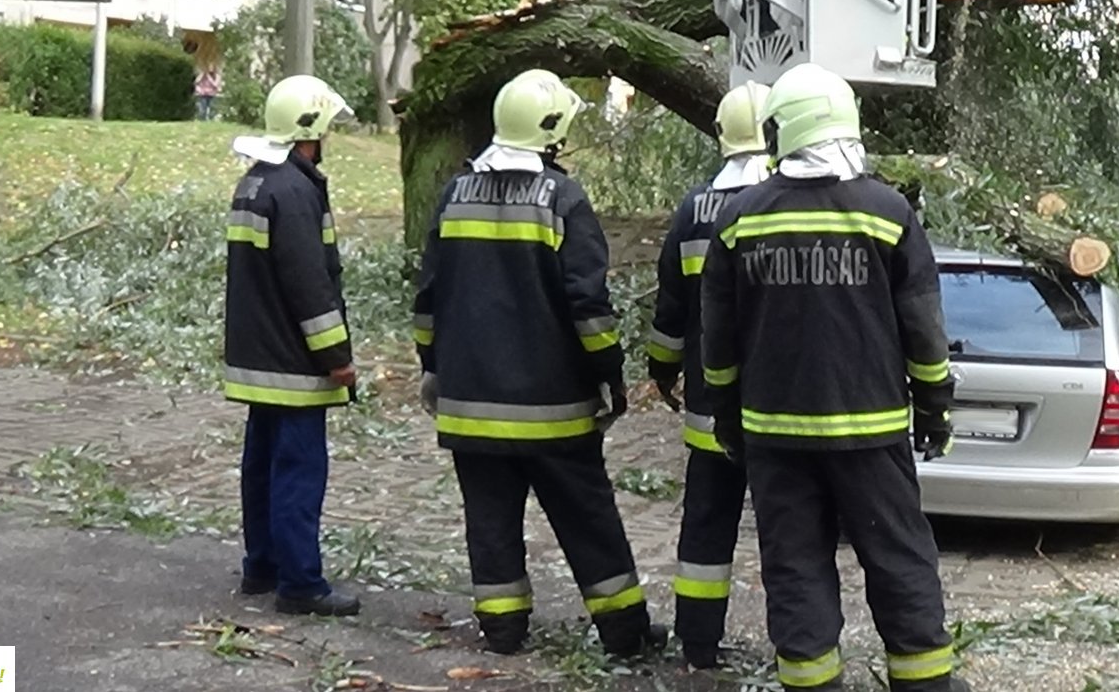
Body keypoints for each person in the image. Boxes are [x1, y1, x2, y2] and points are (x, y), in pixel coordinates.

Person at [699, 63, 968, 692]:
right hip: (871, 435)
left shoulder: (741, 218)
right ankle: (925, 684)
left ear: (781, 132)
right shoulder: (887, 213)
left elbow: (719, 339)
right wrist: (935, 411)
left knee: (795, 569)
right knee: (899, 560)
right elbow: (923, 332)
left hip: (774, 437)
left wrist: (727, 417)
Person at [412, 69, 665, 659]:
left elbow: (428, 297)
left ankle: (503, 630)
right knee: (588, 520)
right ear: (550, 133)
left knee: (490, 520)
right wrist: (610, 375)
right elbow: (588, 307)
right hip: (554, 410)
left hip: (470, 404)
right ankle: (624, 633)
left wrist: (433, 365)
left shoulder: (454, 194)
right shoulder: (563, 199)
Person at [224, 73, 361, 617]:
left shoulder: (254, 183)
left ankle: (262, 566)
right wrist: (337, 358)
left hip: (257, 359)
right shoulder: (296, 190)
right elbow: (310, 283)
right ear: (313, 127)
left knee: (261, 465)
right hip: (296, 364)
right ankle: (301, 584)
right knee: (299, 474)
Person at [647, 81, 772, 670]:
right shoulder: (785, 202)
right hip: (778, 408)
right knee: (787, 529)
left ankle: (696, 641)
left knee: (705, 525)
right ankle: (798, 642)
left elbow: (671, 307)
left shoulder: (693, 209)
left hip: (708, 405)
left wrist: (662, 369)